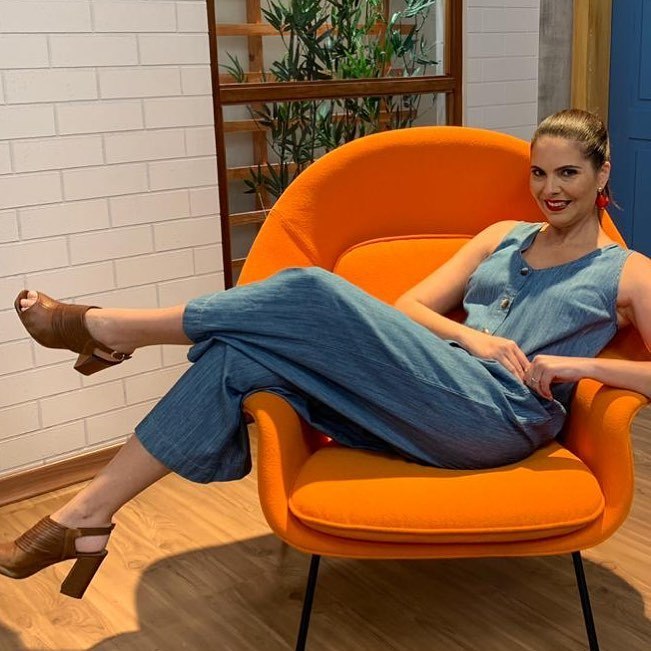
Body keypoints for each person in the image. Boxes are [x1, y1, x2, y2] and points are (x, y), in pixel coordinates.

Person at [1, 109, 650, 599]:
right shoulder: (503, 236)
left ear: (601, 173)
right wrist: (472, 336)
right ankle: (86, 517)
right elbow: (409, 306)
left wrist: (577, 366)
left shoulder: (627, 270)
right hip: (435, 389)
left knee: (311, 288)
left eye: (567, 173)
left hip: (502, 416)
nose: (550, 188)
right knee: (238, 358)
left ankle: (111, 329)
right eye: (539, 172)